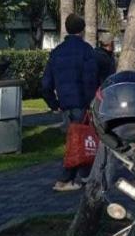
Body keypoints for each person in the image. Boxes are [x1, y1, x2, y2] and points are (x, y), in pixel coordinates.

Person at [41, 14, 98, 192]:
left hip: (65, 102)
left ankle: (83, 176)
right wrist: (91, 101)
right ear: (82, 30)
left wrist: (53, 103)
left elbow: (46, 83)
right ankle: (67, 178)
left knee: (75, 139)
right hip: (81, 101)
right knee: (79, 140)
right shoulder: (87, 51)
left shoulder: (57, 52)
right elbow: (90, 79)